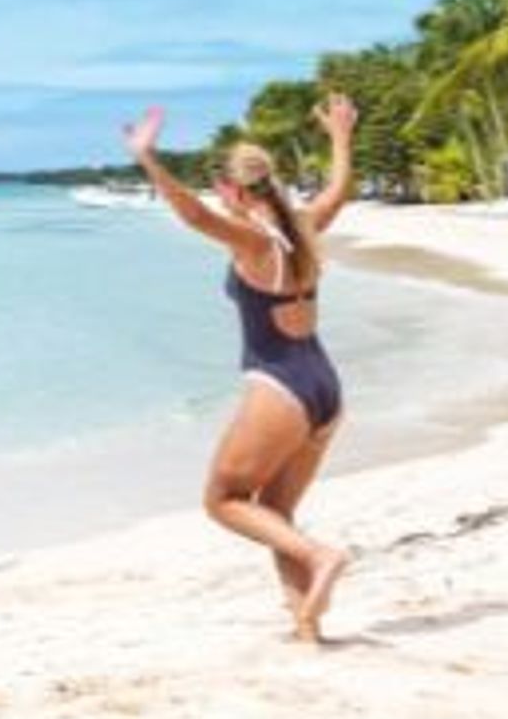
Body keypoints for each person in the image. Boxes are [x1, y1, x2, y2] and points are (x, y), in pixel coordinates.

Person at [122, 95, 359, 642]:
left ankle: (322, 557)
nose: (218, 201)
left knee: (223, 500)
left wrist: (149, 159)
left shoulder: (254, 241)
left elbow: (195, 216)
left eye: (220, 191)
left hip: (281, 387)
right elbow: (339, 190)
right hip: (325, 386)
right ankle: (307, 627)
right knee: (275, 513)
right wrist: (340, 137)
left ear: (233, 190)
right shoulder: (302, 227)